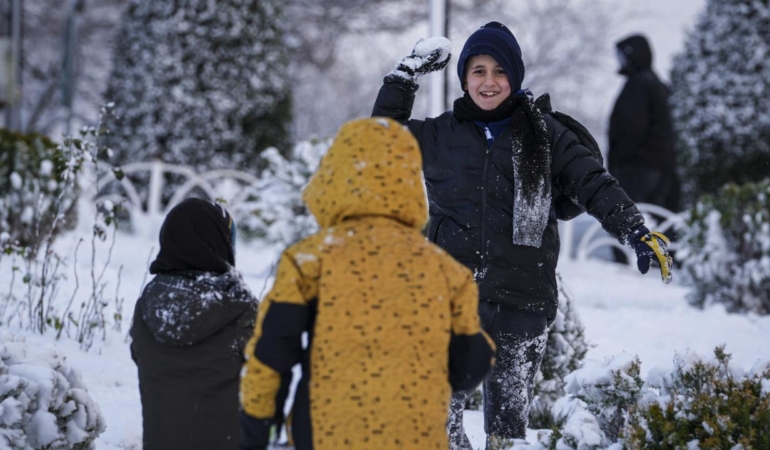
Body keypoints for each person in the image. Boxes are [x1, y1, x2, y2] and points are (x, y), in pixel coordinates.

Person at [371, 22, 673, 448]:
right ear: (464, 78)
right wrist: (404, 76)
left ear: (515, 76)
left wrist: (635, 230)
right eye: (478, 71)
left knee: (508, 434)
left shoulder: (545, 135)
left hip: (523, 301)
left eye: (499, 71)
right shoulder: (438, 135)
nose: (489, 81)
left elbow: (593, 182)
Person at [238, 117, 495, 450]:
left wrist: (256, 429)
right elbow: (470, 365)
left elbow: (271, 356)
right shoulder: (446, 271)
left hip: (325, 435)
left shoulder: (309, 262)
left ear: (333, 176)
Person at [130, 198, 259, 450]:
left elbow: (141, 356)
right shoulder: (240, 306)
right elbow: (266, 373)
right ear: (218, 243)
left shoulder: (148, 302)